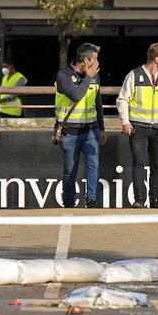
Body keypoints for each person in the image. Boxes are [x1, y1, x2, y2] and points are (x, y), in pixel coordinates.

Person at [116, 43, 158, 208]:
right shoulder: (134, 75)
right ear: (157, 58)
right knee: (138, 163)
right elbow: (123, 99)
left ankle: (154, 200)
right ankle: (139, 199)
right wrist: (125, 121)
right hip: (138, 127)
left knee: (156, 166)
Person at [54, 42, 106, 208]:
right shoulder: (63, 75)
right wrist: (88, 77)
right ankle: (69, 203)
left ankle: (91, 200)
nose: (97, 63)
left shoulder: (95, 76)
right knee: (70, 171)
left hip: (91, 129)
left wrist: (102, 128)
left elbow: (97, 103)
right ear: (86, 60)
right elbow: (76, 95)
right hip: (69, 132)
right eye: (95, 60)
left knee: (94, 166)